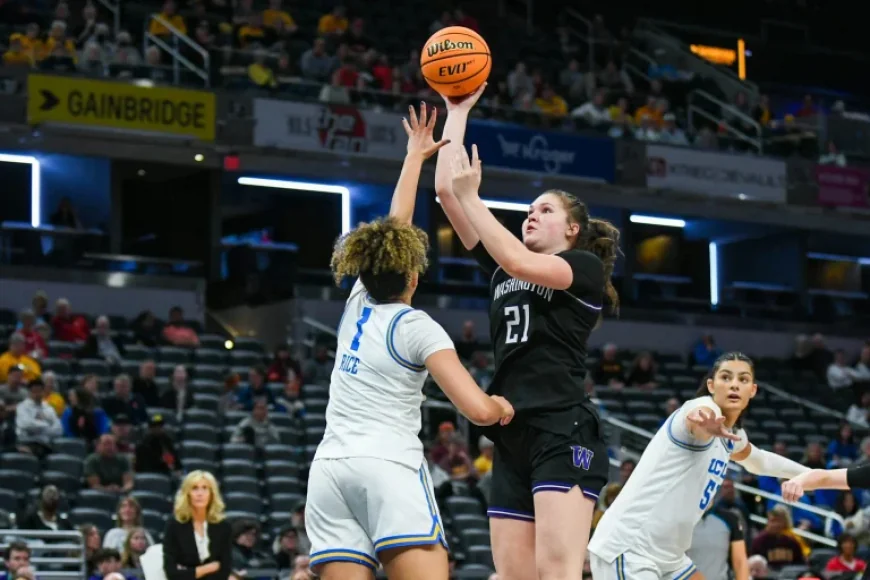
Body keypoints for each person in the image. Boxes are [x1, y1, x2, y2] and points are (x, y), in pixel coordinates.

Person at [306, 103, 514, 580]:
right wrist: (500, 406)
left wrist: (413, 157)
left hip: (330, 470)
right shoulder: (416, 326)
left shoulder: (356, 303)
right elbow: (476, 410)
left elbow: (393, 229)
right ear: (414, 276)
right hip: (388, 467)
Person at [435, 85, 616, 580]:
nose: (531, 214)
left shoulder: (581, 268)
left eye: (545, 210)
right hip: (511, 433)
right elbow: (447, 192)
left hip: (563, 428)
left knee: (557, 572)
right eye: (529, 210)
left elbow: (515, 255)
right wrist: (457, 112)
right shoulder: (502, 270)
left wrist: (475, 197)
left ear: (573, 229)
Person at [587, 353, 811, 580]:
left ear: (752, 390)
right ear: (711, 385)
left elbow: (761, 460)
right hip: (630, 547)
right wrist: (705, 424)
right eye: (726, 377)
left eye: (742, 379)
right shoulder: (700, 408)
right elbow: (697, 417)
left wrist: (812, 475)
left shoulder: (732, 436)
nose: (734, 384)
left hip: (670, 556)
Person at [162, 470, 233, 580]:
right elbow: (172, 573)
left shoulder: (223, 526)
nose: (200, 493)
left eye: (205, 488)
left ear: (212, 493)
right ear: (187, 493)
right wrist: (208, 568)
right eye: (195, 488)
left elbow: (224, 571)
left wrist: (188, 572)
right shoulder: (174, 525)